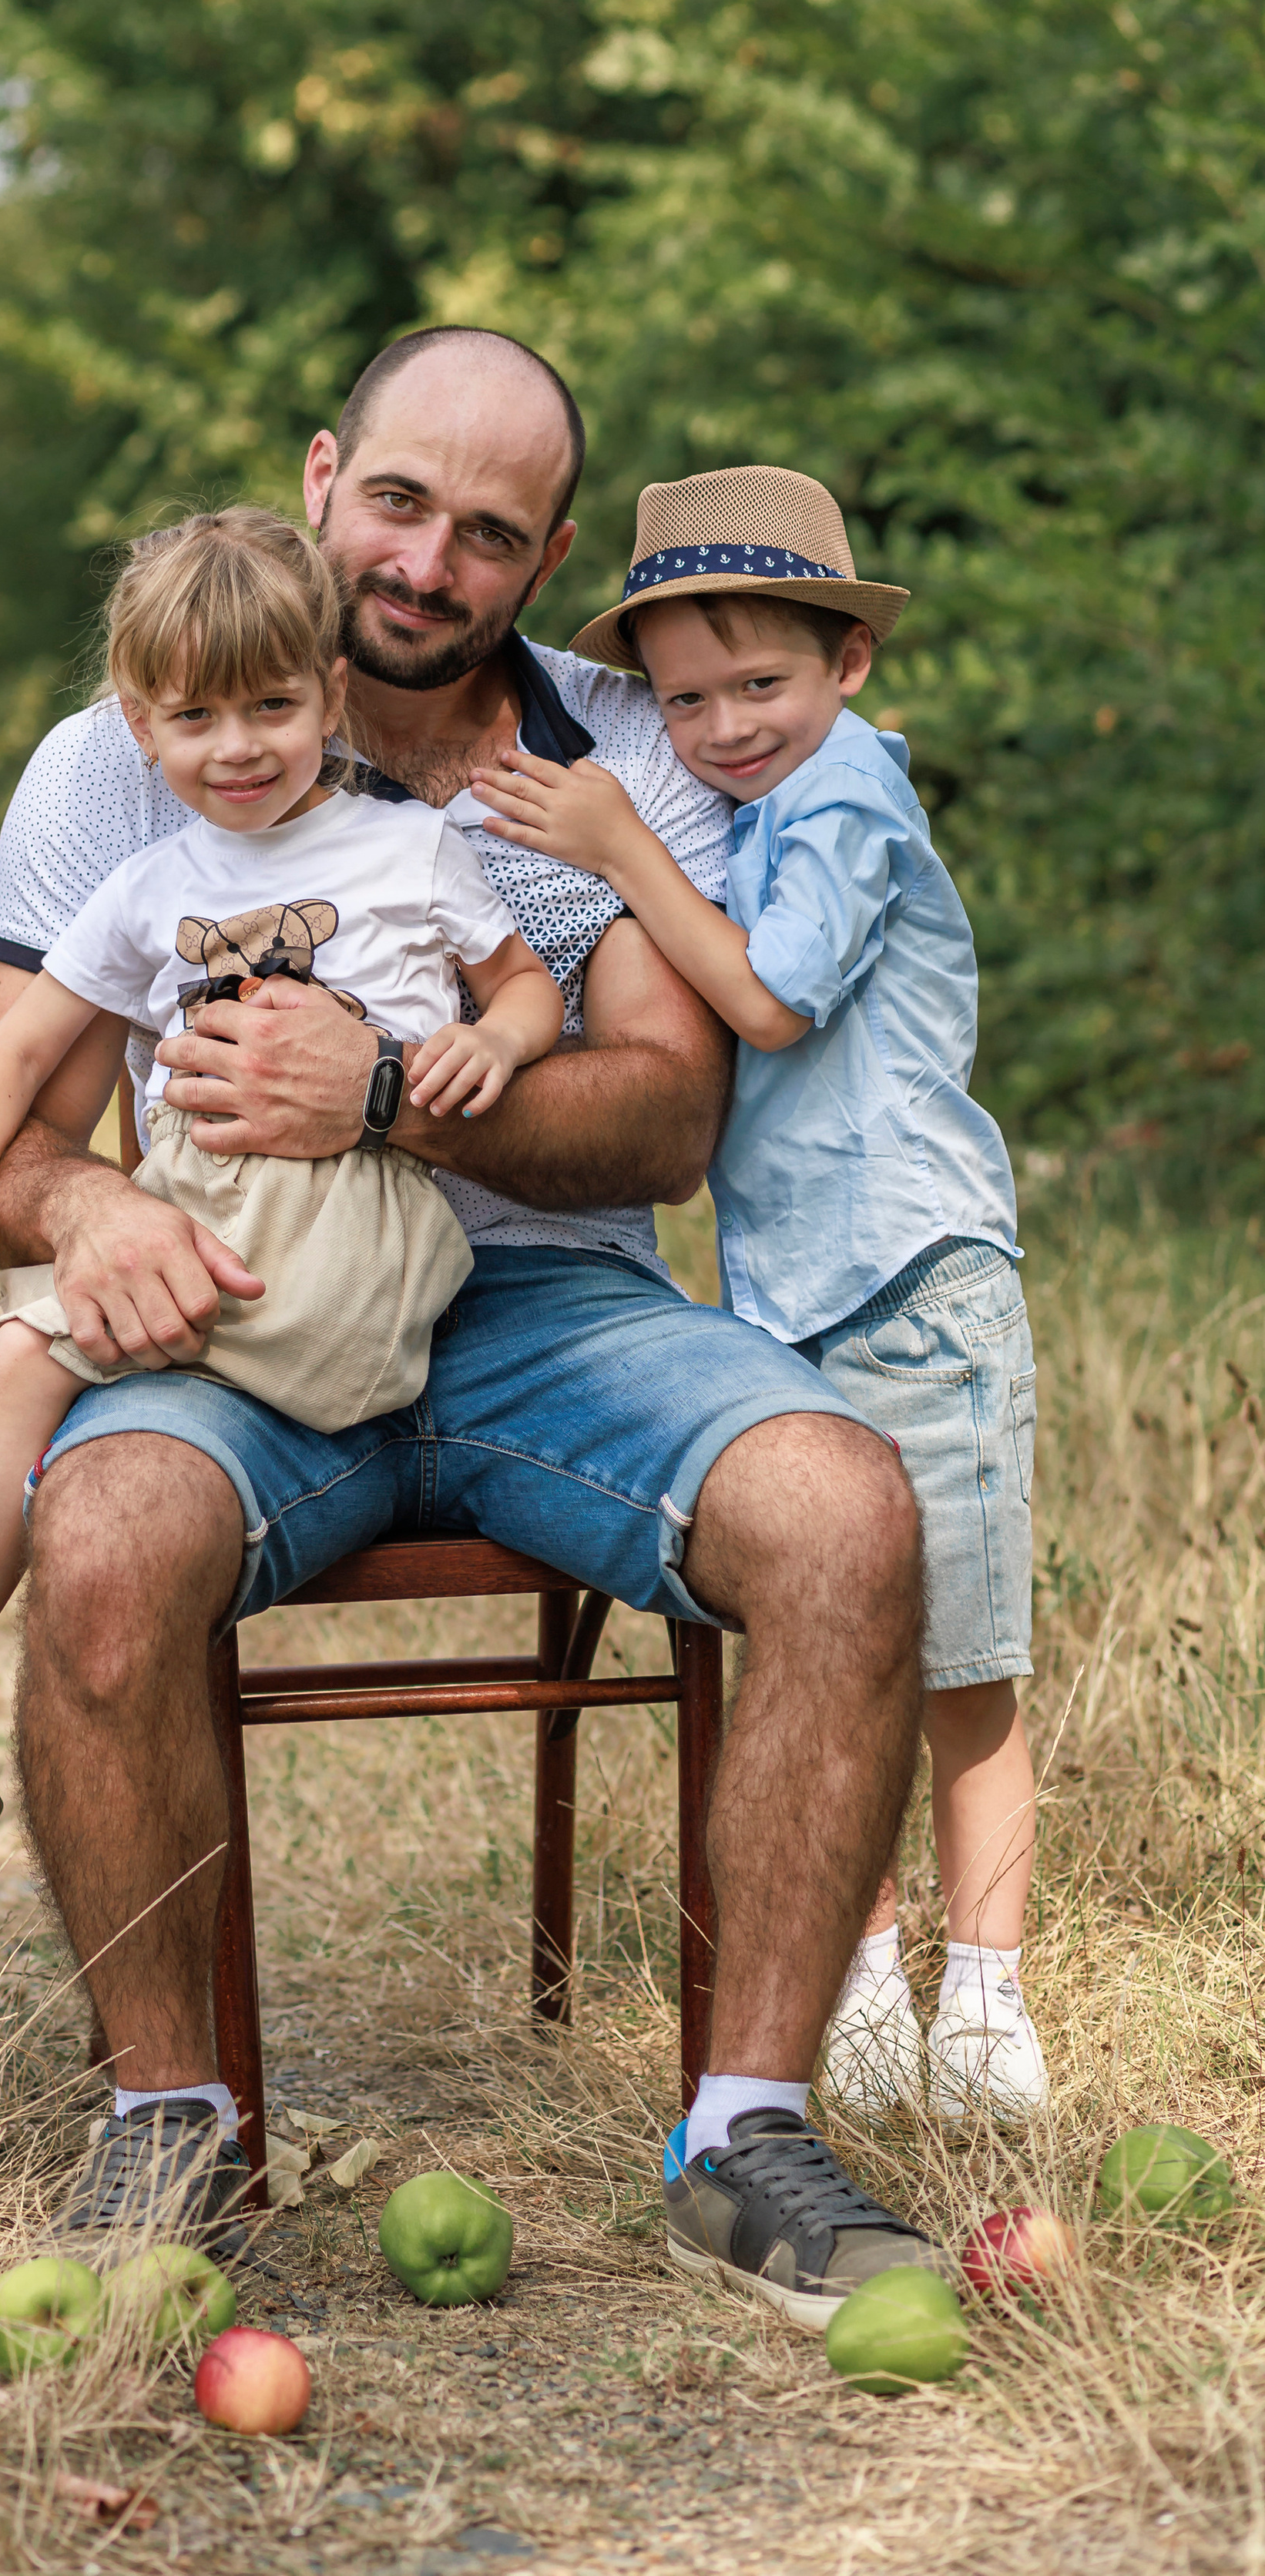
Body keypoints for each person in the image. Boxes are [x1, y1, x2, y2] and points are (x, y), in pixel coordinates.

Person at [0, 328, 946, 2324]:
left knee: (845, 1511)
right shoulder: (120, 757)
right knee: (105, 1539)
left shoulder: (622, 745)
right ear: (325, 481)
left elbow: (668, 1112)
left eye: (488, 533)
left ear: (546, 551)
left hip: (545, 1303)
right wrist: (104, 1204)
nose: (426, 561)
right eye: (399, 502)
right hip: (241, 1310)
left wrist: (386, 1094)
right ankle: (173, 2125)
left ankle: (745, 2137)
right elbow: (22, 1124)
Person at [0, 505, 562, 1893]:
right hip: (216, 1227)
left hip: (345, 1252)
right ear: (139, 729)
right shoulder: (152, 884)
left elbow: (524, 984)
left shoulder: (407, 850)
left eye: (273, 705)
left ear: (332, 694)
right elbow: (19, 1054)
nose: (239, 747)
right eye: (195, 717)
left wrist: (490, 1046)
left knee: (30, 1355)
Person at [473, 462, 1045, 2123]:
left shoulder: (847, 793)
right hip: (789, 1298)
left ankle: (988, 1995)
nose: (723, 725)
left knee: (958, 1661)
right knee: (832, 1635)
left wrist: (615, 841)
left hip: (911, 1273)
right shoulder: (756, 802)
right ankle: (857, 1975)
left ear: (844, 668)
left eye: (761, 685)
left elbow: (771, 1004)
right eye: (684, 700)